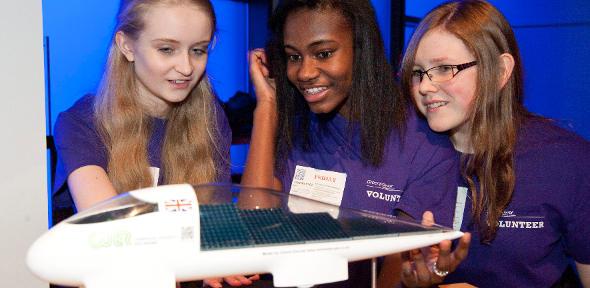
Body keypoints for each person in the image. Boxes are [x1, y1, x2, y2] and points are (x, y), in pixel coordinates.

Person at [243, 0, 461, 286]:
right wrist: (268, 105)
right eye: (294, 57)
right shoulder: (294, 126)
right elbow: (252, 226)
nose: (305, 72)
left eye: (323, 53)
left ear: (361, 49)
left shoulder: (424, 144)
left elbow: (402, 266)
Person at [399, 0, 590, 287]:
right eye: (418, 72)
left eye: (444, 68)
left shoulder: (567, 161)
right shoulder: (404, 151)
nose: (425, 87)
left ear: (500, 71)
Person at [53, 0, 230, 219]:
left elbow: (218, 223)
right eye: (166, 49)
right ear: (127, 46)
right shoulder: (81, 124)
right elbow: (108, 229)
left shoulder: (210, 117)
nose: (186, 68)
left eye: (198, 50)